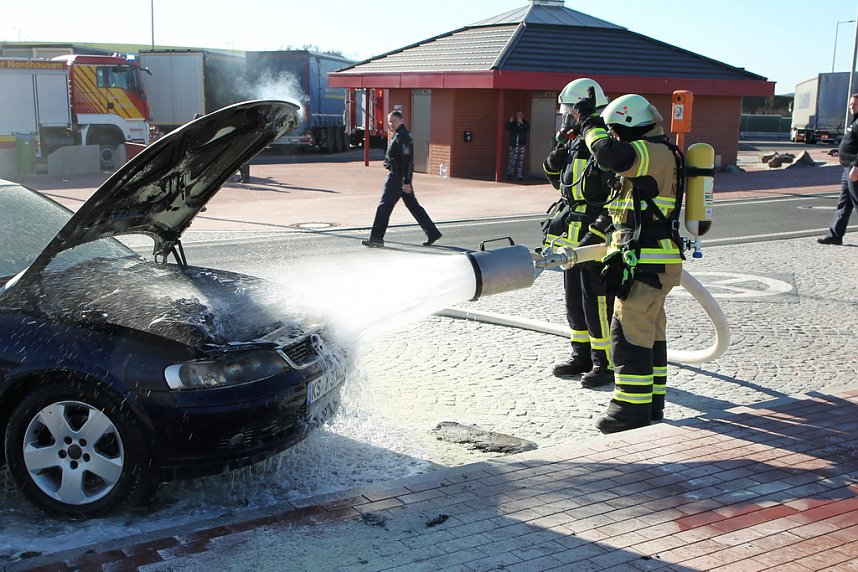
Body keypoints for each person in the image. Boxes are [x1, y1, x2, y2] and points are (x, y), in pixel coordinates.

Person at [574, 91, 684, 434]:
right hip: (653, 260)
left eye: (618, 130)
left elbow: (610, 153)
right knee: (651, 335)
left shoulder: (651, 152)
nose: (616, 137)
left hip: (646, 262)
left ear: (631, 126)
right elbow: (622, 211)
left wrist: (591, 125)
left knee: (629, 335)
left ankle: (628, 411)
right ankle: (652, 405)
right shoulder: (653, 156)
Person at [543, 79, 616, 388]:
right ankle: (581, 355)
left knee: (597, 301)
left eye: (570, 111)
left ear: (581, 109)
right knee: (574, 299)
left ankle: (605, 363)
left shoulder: (605, 141)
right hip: (573, 236)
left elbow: (616, 194)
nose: (567, 116)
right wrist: (556, 156)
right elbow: (562, 184)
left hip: (596, 237)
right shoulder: (577, 140)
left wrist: (599, 231)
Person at [362, 110, 442, 248]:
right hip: (399, 176)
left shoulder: (403, 136)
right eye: (389, 121)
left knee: (384, 206)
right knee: (413, 206)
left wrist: (406, 181)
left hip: (397, 177)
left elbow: (407, 161)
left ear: (401, 120)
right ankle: (432, 232)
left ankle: (376, 238)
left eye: (394, 121)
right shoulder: (399, 135)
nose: (391, 123)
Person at [818, 93, 858, 246]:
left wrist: (856, 167)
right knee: (844, 204)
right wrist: (839, 150)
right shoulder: (853, 121)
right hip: (847, 168)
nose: (851, 106)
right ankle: (835, 235)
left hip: (854, 169)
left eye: (854, 104)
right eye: (850, 104)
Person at [507, 111, 530, 181]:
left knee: (520, 160)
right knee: (512, 160)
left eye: (520, 115)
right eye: (518, 115)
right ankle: (510, 174)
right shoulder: (513, 123)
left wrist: (521, 123)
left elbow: (526, 128)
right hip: (514, 145)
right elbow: (507, 128)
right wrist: (510, 122)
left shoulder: (525, 123)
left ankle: (519, 176)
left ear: (523, 116)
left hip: (521, 144)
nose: (519, 116)